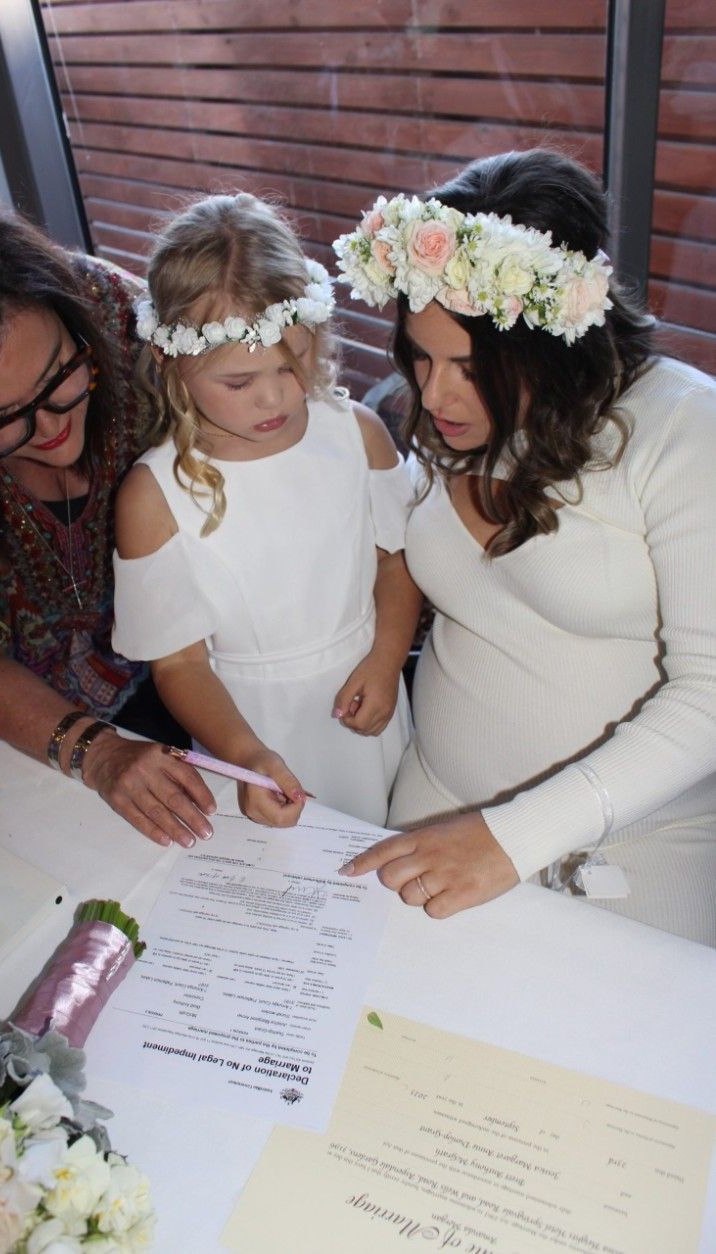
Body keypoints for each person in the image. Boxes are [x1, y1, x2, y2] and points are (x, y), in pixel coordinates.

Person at [333, 149, 716, 945]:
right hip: (436, 803)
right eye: (421, 356)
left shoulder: (685, 429)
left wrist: (511, 838)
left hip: (635, 841)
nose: (433, 395)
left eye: (473, 368)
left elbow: (710, 699)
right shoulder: (445, 417)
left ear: (559, 343)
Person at [0, 197, 216, 847]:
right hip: (28, 703)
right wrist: (99, 753)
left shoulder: (125, 317)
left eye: (60, 376)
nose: (53, 427)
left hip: (186, 645)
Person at [112, 193, 421, 826]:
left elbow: (397, 562)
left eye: (292, 362)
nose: (275, 396)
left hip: (373, 693)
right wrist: (245, 753)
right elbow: (178, 663)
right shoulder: (154, 497)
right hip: (249, 729)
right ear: (172, 360)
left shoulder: (355, 432)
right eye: (238, 383)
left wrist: (387, 659)